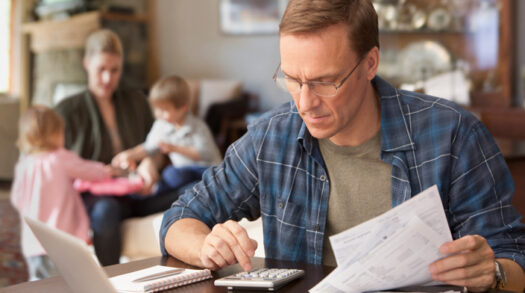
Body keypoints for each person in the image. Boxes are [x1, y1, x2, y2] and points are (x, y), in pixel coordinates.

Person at [160, 0, 525, 292]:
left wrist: (491, 272)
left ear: (370, 63)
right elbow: (179, 219)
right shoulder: (270, 137)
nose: (304, 102)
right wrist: (204, 246)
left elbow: (515, 261)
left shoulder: (454, 135)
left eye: (324, 82)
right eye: (291, 78)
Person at [54, 29, 180, 266]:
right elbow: (57, 166)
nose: (107, 79)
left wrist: (149, 164)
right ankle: (110, 282)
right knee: (106, 211)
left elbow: (158, 147)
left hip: (138, 192)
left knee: (194, 187)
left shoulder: (137, 102)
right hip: (97, 198)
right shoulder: (67, 111)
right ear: (86, 64)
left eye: (114, 70)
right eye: (101, 69)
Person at [10, 105, 114, 280]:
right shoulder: (59, 158)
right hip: (62, 242)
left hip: (33, 243)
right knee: (68, 283)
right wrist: (107, 170)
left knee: (40, 286)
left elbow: (16, 199)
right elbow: (88, 171)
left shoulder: (24, 165)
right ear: (56, 134)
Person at [112, 75, 222, 195]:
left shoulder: (198, 126)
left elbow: (205, 153)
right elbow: (148, 147)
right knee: (171, 176)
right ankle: (153, 194)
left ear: (183, 107)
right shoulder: (161, 125)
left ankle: (200, 190)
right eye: (156, 109)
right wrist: (129, 155)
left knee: (173, 174)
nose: (158, 114)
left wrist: (174, 148)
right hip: (184, 172)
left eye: (164, 110)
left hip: (205, 169)